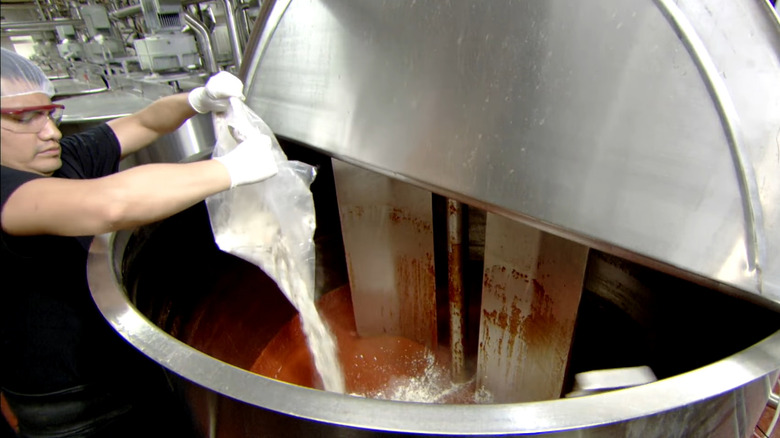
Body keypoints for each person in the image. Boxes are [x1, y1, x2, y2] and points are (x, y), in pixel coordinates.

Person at [0, 48, 277, 437]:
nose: (51, 132)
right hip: (73, 408)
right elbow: (111, 204)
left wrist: (195, 100)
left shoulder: (59, 159)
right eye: (25, 119)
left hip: (130, 371)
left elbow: (144, 124)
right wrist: (230, 169)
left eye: (49, 113)